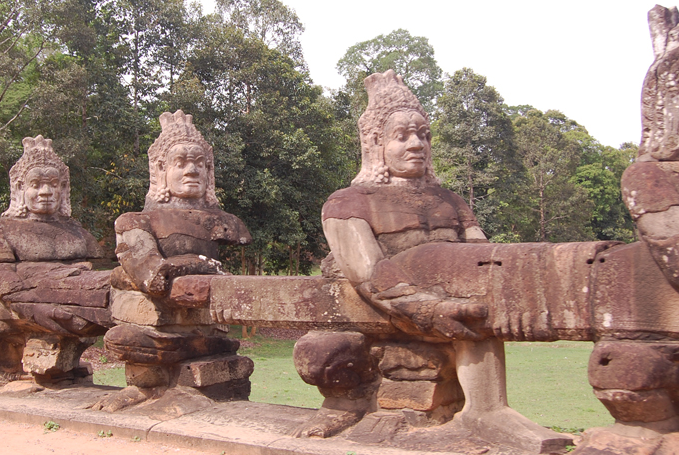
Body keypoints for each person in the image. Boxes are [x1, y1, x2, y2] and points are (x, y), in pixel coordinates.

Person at [301, 70, 566, 449]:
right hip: (387, 310)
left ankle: (488, 410)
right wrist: (427, 308)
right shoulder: (348, 202)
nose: (417, 144)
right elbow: (368, 273)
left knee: (478, 289)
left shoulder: (452, 202)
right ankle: (478, 410)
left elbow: (481, 257)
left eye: (423, 135)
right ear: (375, 142)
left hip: (448, 304)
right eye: (402, 135)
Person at [99, 110, 251, 410]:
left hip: (206, 328)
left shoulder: (227, 223)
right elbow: (154, 278)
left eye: (199, 163)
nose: (191, 171)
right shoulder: (134, 222)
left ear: (210, 171)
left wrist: (187, 264)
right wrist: (204, 264)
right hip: (156, 325)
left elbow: (166, 272)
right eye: (180, 163)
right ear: (159, 171)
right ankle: (150, 386)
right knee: (123, 339)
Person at [0, 136, 110, 383]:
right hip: (26, 305)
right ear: (20, 188)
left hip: (79, 295)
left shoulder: (76, 233)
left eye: (53, 184)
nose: (46, 192)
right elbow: (6, 286)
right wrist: (41, 310)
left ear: (63, 188)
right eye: (36, 184)